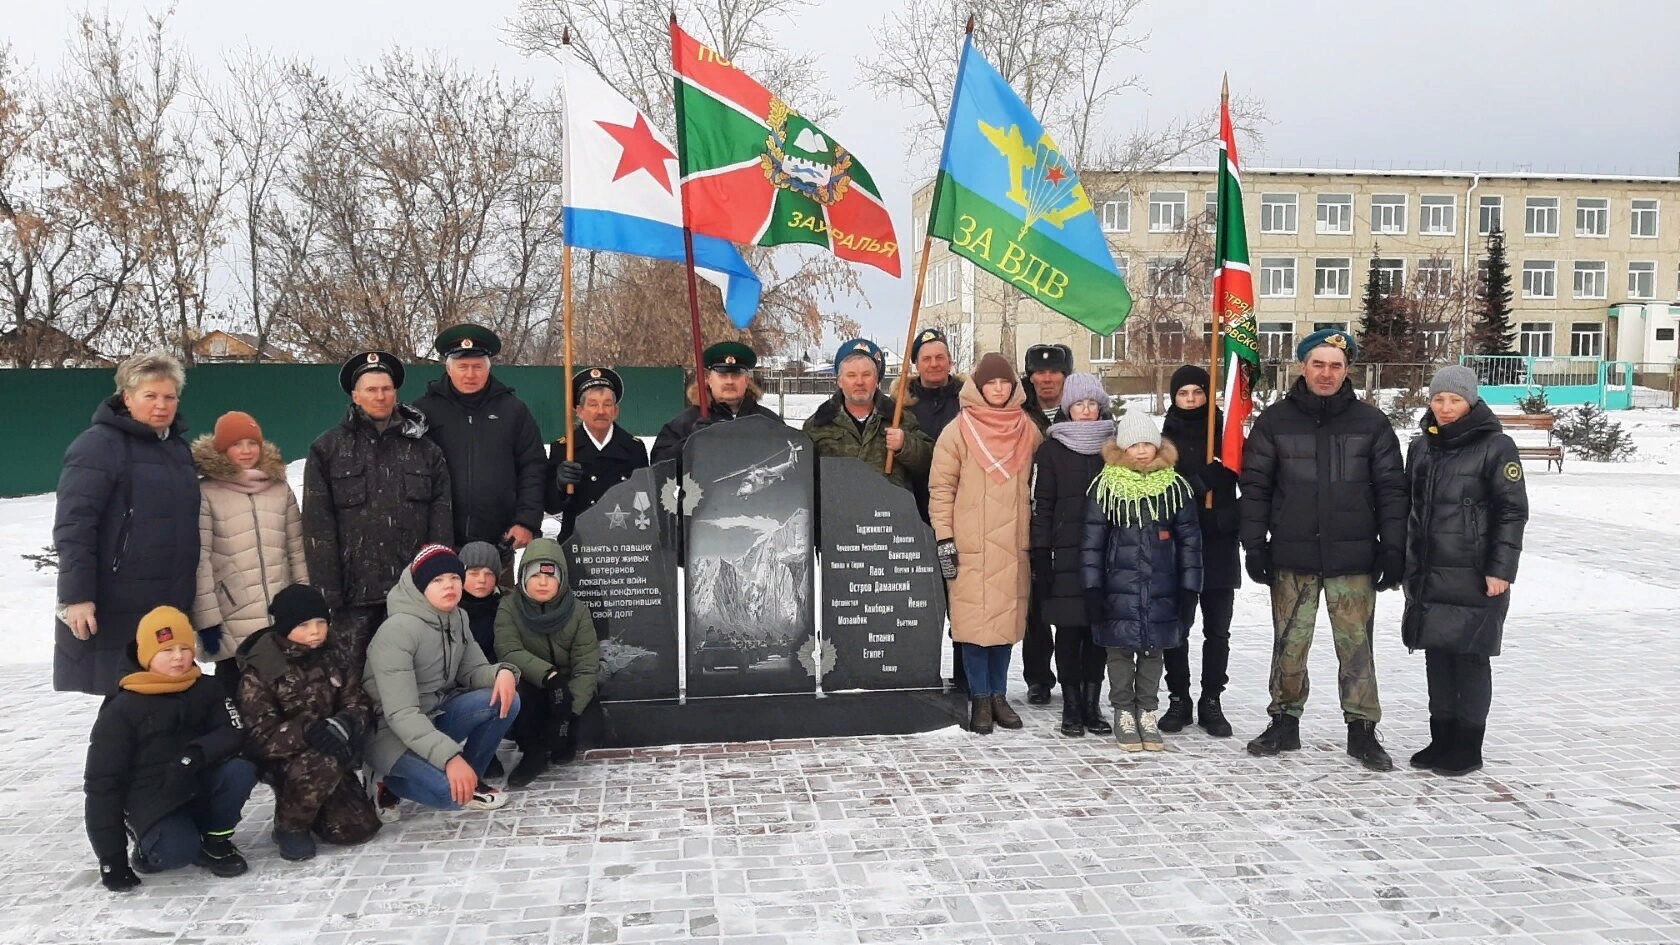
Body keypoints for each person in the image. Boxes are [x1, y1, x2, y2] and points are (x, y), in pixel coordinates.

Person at [1239, 329, 1408, 771]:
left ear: (1348, 369)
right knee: (1289, 646)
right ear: (1302, 367)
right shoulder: (1274, 422)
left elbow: (1392, 490)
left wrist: (1394, 548)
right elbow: (1255, 489)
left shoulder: (1371, 423)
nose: (1327, 373)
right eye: (1318, 364)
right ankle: (1284, 723)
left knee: (1356, 650)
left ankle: (1363, 730)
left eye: (1336, 365)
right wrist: (1254, 545)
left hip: (1353, 560)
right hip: (1292, 559)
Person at [1401, 366, 1528, 777]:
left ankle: (1468, 746)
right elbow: (1411, 510)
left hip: (1476, 574)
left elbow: (1512, 512)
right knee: (1437, 656)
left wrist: (1501, 569)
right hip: (1429, 573)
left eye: (1454, 400)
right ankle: (1442, 739)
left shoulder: (1497, 447)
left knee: (1471, 658)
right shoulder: (1422, 448)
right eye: (1438, 399)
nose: (1446, 408)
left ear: (1471, 401)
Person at [54, 350, 201, 696]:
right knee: (125, 701)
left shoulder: (179, 451)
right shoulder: (98, 446)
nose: (162, 405)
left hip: (168, 598)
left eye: (170, 397)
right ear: (127, 397)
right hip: (117, 598)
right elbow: (74, 525)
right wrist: (77, 596)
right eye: (150, 396)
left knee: (167, 699)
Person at [84, 606, 257, 891]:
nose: (178, 657)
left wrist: (197, 753)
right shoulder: (121, 708)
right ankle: (147, 846)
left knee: (240, 771)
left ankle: (215, 841)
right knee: (176, 852)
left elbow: (234, 730)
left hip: (198, 781)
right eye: (166, 651)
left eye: (184, 647)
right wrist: (111, 859)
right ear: (147, 655)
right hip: (154, 798)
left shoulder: (208, 687)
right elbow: (102, 784)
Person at [303, 351, 453, 677]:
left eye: (386, 388)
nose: (380, 396)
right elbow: (318, 528)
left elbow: (440, 522)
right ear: (355, 396)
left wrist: (436, 580)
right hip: (353, 598)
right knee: (351, 679)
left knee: (412, 676)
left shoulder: (425, 450)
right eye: (371, 389)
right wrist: (327, 594)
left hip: (410, 593)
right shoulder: (327, 449)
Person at [363, 545, 521, 821]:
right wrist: (450, 758)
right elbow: (402, 714)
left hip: (434, 716)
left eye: (455, 578)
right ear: (420, 586)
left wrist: (501, 673)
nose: (449, 586)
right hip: (390, 732)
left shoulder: (457, 616)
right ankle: (386, 781)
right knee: (450, 798)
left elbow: (473, 670)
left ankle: (471, 777)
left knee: (505, 699)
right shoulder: (397, 631)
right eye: (437, 580)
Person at [928, 353, 1042, 735]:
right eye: (990, 383)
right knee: (975, 624)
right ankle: (978, 696)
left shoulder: (1027, 430)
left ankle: (998, 695)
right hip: (968, 543)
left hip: (1013, 542)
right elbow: (941, 489)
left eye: (1004, 383)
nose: (998, 389)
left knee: (1006, 623)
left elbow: (1041, 486)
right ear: (978, 386)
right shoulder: (957, 431)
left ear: (1013, 387)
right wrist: (944, 538)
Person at [1081, 412, 1202, 752]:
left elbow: (1191, 543)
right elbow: (1092, 543)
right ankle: (1123, 710)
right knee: (1118, 651)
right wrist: (1092, 588)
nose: (1142, 451)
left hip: (1161, 588)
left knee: (1153, 651)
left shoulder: (1175, 488)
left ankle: (1147, 709)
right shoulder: (1105, 487)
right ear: (1122, 448)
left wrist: (1190, 588)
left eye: (1148, 443)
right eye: (1134, 444)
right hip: (1117, 588)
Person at [235, 583, 381, 861]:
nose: (315, 631)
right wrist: (307, 731)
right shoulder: (262, 669)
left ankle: (314, 807)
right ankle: (289, 827)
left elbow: (357, 700)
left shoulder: (335, 655)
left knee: (358, 829)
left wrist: (346, 723)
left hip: (333, 749)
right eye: (304, 625)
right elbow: (259, 735)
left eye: (320, 622)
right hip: (284, 758)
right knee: (321, 762)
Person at [191, 411, 308, 699]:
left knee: (285, 695)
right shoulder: (206, 492)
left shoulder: (279, 489)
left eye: (251, 443)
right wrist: (207, 621)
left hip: (279, 612)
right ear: (221, 449)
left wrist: (306, 604)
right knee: (238, 694)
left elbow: (296, 549)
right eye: (236, 444)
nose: (245, 451)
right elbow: (200, 560)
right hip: (232, 612)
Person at [413, 324, 548, 558]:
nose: (470, 374)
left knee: (499, 595)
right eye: (462, 366)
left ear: (488, 368)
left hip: (499, 541)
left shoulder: (513, 411)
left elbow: (533, 466)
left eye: (477, 366)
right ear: (449, 369)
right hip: (438, 540)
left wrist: (526, 522)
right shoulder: (424, 411)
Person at [1157, 366, 1241, 738]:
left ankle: (1211, 699)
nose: (1191, 399)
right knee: (1177, 627)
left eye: (1197, 392)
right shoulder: (1162, 439)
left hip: (1219, 543)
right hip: (1178, 546)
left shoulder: (1225, 433)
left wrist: (1226, 514)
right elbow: (1159, 484)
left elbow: (1246, 478)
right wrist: (1196, 483)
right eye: (1183, 393)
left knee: (1217, 630)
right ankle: (1179, 697)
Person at [1030, 373, 1114, 738]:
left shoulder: (1115, 447)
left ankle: (1093, 705)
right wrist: (1040, 552)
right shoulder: (1051, 449)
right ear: (1068, 407)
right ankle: (1071, 706)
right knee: (1067, 633)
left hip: (1106, 555)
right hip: (1064, 556)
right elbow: (1042, 505)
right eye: (1079, 404)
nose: (1085, 410)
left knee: (1098, 634)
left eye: (1092, 404)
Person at [493, 539, 601, 787]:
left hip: (567, 688)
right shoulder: (509, 608)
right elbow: (508, 650)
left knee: (583, 735)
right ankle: (533, 754)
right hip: (532, 681)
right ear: (523, 576)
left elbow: (586, 663)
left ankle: (560, 739)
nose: (543, 582)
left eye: (550, 576)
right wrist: (549, 676)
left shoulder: (578, 611)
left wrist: (568, 712)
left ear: (561, 579)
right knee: (521, 699)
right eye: (535, 575)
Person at [903, 328, 968, 691]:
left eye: (940, 357)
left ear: (949, 361)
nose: (933, 363)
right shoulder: (901, 404)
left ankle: (965, 675)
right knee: (919, 599)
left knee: (959, 598)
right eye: (926, 358)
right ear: (915, 364)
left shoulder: (968, 401)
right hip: (915, 515)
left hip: (961, 516)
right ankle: (919, 670)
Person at [802, 338, 933, 490]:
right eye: (851, 375)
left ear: (876, 379)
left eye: (866, 375)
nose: (859, 382)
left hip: (890, 509)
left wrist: (905, 445)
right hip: (835, 510)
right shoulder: (818, 424)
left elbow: (932, 461)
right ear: (839, 381)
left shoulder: (899, 419)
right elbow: (801, 476)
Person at [1020, 343, 1072, 705]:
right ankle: (1038, 678)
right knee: (1035, 608)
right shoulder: (1017, 415)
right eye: (1039, 372)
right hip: (1030, 519)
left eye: (1054, 372)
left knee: (1071, 604)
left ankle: (1076, 676)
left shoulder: (1082, 413)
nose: (1047, 378)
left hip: (1072, 523)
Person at [548, 367, 650, 541]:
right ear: (579, 411)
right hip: (577, 544)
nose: (601, 411)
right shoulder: (564, 449)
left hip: (623, 544)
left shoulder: (634, 449)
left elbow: (645, 502)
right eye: (593, 404)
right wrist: (558, 485)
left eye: (607, 404)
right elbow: (550, 506)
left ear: (616, 411)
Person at [650, 341, 782, 466]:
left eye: (736, 375)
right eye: (722, 375)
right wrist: (690, 444)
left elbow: (792, 461)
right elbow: (659, 466)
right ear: (709, 379)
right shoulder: (687, 422)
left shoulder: (769, 422)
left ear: (747, 380)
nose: (729, 381)